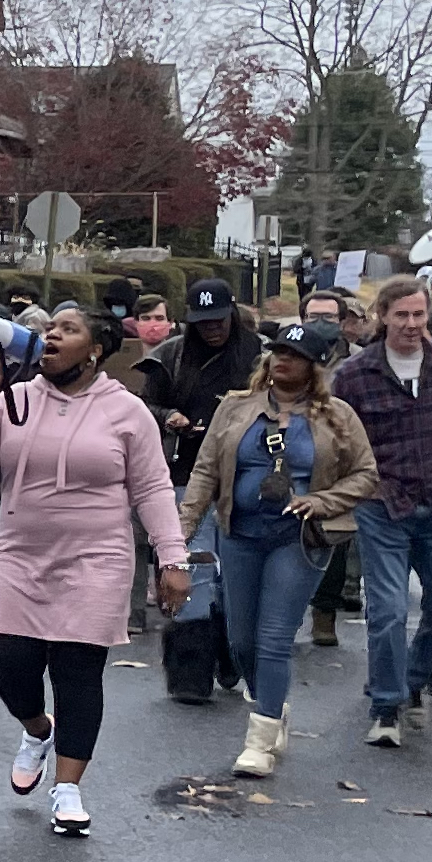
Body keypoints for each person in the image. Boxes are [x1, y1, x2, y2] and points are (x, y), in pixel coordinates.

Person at [0, 302, 190, 837]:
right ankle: (37, 729)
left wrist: (171, 559)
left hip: (96, 558)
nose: (51, 336)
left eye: (67, 329)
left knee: (76, 671)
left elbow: (153, 488)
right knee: (9, 663)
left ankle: (68, 790)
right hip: (20, 553)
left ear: (97, 350)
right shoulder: (15, 398)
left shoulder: (126, 410)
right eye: (48, 329)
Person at [173, 321, 377, 780]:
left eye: (295, 355)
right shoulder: (235, 407)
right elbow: (205, 471)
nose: (281, 360)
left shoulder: (337, 416)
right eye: (277, 352)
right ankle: (271, 703)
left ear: (314, 367)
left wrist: (322, 501)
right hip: (239, 532)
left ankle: (259, 742)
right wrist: (182, 530)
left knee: (273, 637)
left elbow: (365, 474)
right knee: (241, 637)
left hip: (298, 538)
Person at [330, 270, 432, 746]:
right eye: (401, 314)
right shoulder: (354, 375)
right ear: (382, 317)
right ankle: (386, 707)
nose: (410, 323)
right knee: (385, 611)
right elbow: (336, 439)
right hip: (383, 506)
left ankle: (412, 681)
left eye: (419, 314)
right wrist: (357, 489)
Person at [138, 279, 262, 708]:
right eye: (201, 322)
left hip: (247, 478)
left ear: (231, 313)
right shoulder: (171, 354)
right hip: (186, 474)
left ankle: (232, 653)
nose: (211, 329)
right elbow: (145, 406)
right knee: (195, 569)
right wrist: (169, 415)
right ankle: (189, 672)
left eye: (218, 320)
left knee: (236, 577)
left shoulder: (259, 354)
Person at [296, 287, 362, 647]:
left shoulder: (361, 364)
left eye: (329, 318)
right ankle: (287, 612)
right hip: (291, 458)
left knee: (333, 539)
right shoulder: (283, 357)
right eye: (313, 318)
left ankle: (325, 613)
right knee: (287, 539)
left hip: (339, 463)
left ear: (341, 321)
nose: (321, 324)